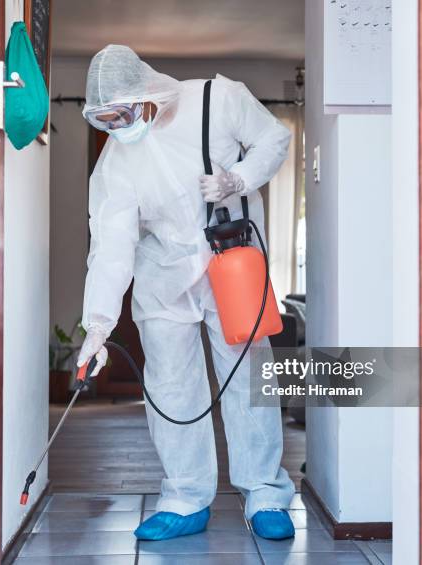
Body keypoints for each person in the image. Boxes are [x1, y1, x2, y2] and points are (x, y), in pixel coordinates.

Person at [77, 44, 295, 541]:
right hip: (165, 276)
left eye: (122, 113)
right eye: (105, 120)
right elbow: (111, 246)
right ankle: (184, 497)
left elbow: (274, 139)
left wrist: (237, 179)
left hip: (231, 264)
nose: (117, 127)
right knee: (171, 388)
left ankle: (264, 492)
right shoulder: (114, 165)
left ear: (144, 91)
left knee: (247, 378)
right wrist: (97, 325)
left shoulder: (218, 99)